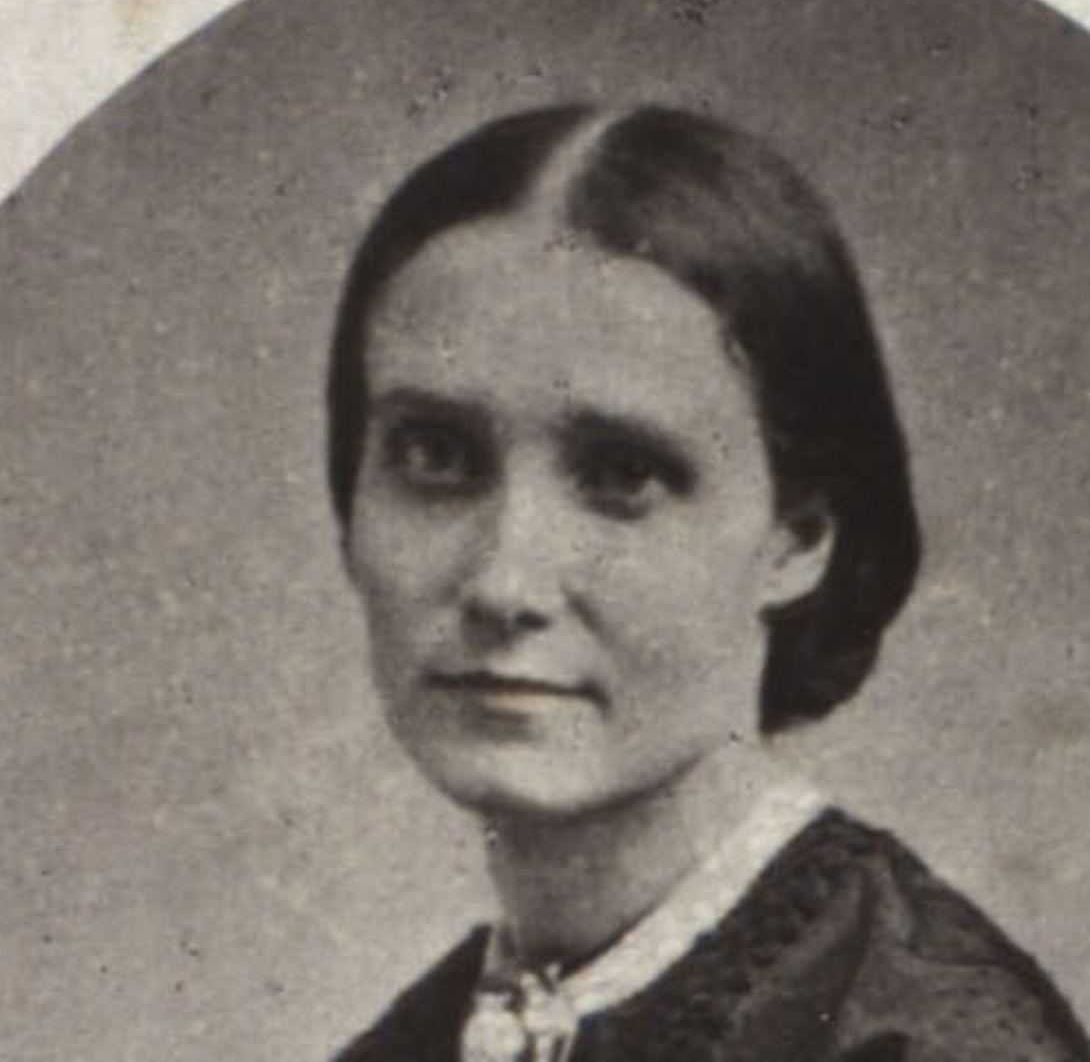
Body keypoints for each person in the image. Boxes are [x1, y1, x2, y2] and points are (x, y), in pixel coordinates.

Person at [325, 104, 1089, 1062]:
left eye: (622, 474)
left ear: (797, 536)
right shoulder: (417, 1044)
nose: (502, 581)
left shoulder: (923, 1036)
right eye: (435, 455)